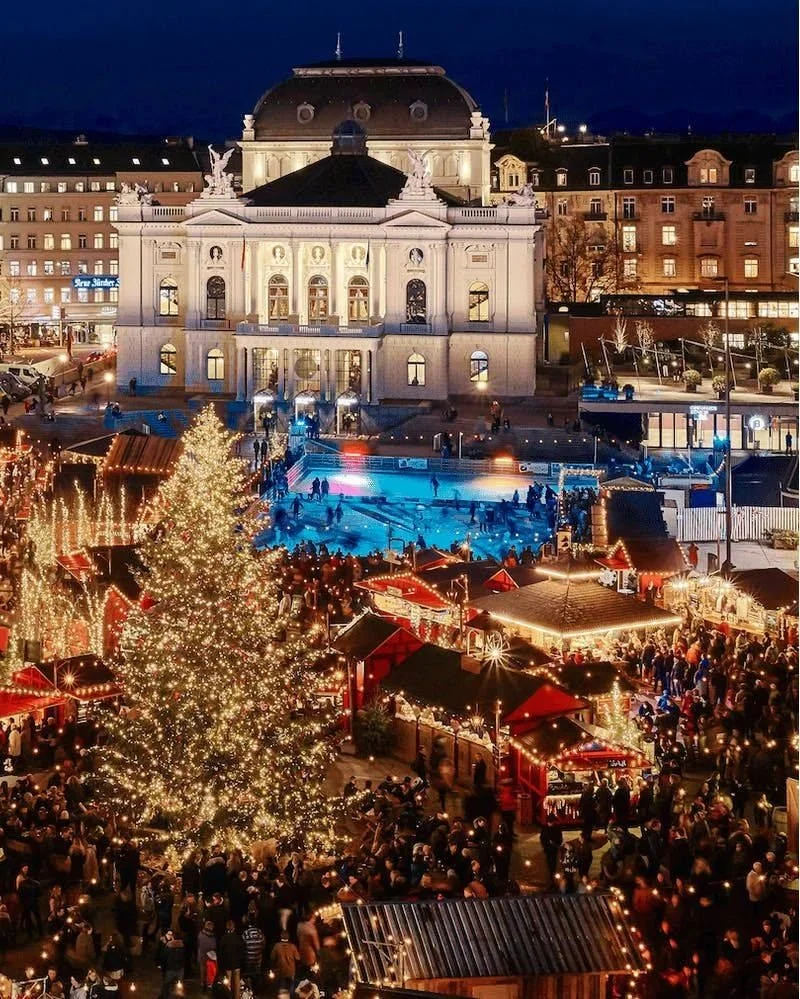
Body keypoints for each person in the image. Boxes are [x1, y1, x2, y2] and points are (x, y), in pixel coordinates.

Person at [218, 920, 244, 999]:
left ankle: (228, 996)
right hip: (237, 963)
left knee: (228, 982)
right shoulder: (238, 937)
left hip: (227, 963)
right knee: (237, 982)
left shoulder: (224, 938)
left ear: (226, 927)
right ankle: (236, 997)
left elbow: (221, 952)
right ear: (234, 927)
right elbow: (242, 950)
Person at [157, 929, 185, 998]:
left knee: (166, 983)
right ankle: (179, 996)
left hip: (170, 968)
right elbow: (185, 958)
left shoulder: (168, 946)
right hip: (180, 968)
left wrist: (162, 966)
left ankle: (163, 996)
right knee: (179, 983)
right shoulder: (183, 946)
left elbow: (164, 957)